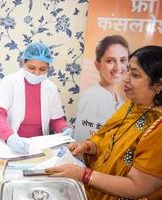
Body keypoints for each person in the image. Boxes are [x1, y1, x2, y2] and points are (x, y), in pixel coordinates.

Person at [45, 45, 162, 199]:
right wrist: (88, 146)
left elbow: (138, 186)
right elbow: (109, 139)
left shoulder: (158, 128)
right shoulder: (133, 105)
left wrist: (84, 175)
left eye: (134, 75)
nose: (125, 78)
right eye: (128, 71)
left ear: (158, 85)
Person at [0, 42, 72, 154]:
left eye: (42, 69)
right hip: (8, 142)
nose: (37, 73)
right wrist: (10, 137)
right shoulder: (9, 82)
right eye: (32, 67)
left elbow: (56, 119)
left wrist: (63, 128)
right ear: (23, 62)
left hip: (38, 145)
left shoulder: (50, 88)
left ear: (48, 68)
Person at [74, 35, 129, 142]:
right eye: (110, 61)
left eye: (123, 60)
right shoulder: (90, 98)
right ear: (97, 65)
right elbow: (84, 141)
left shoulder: (122, 102)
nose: (118, 68)